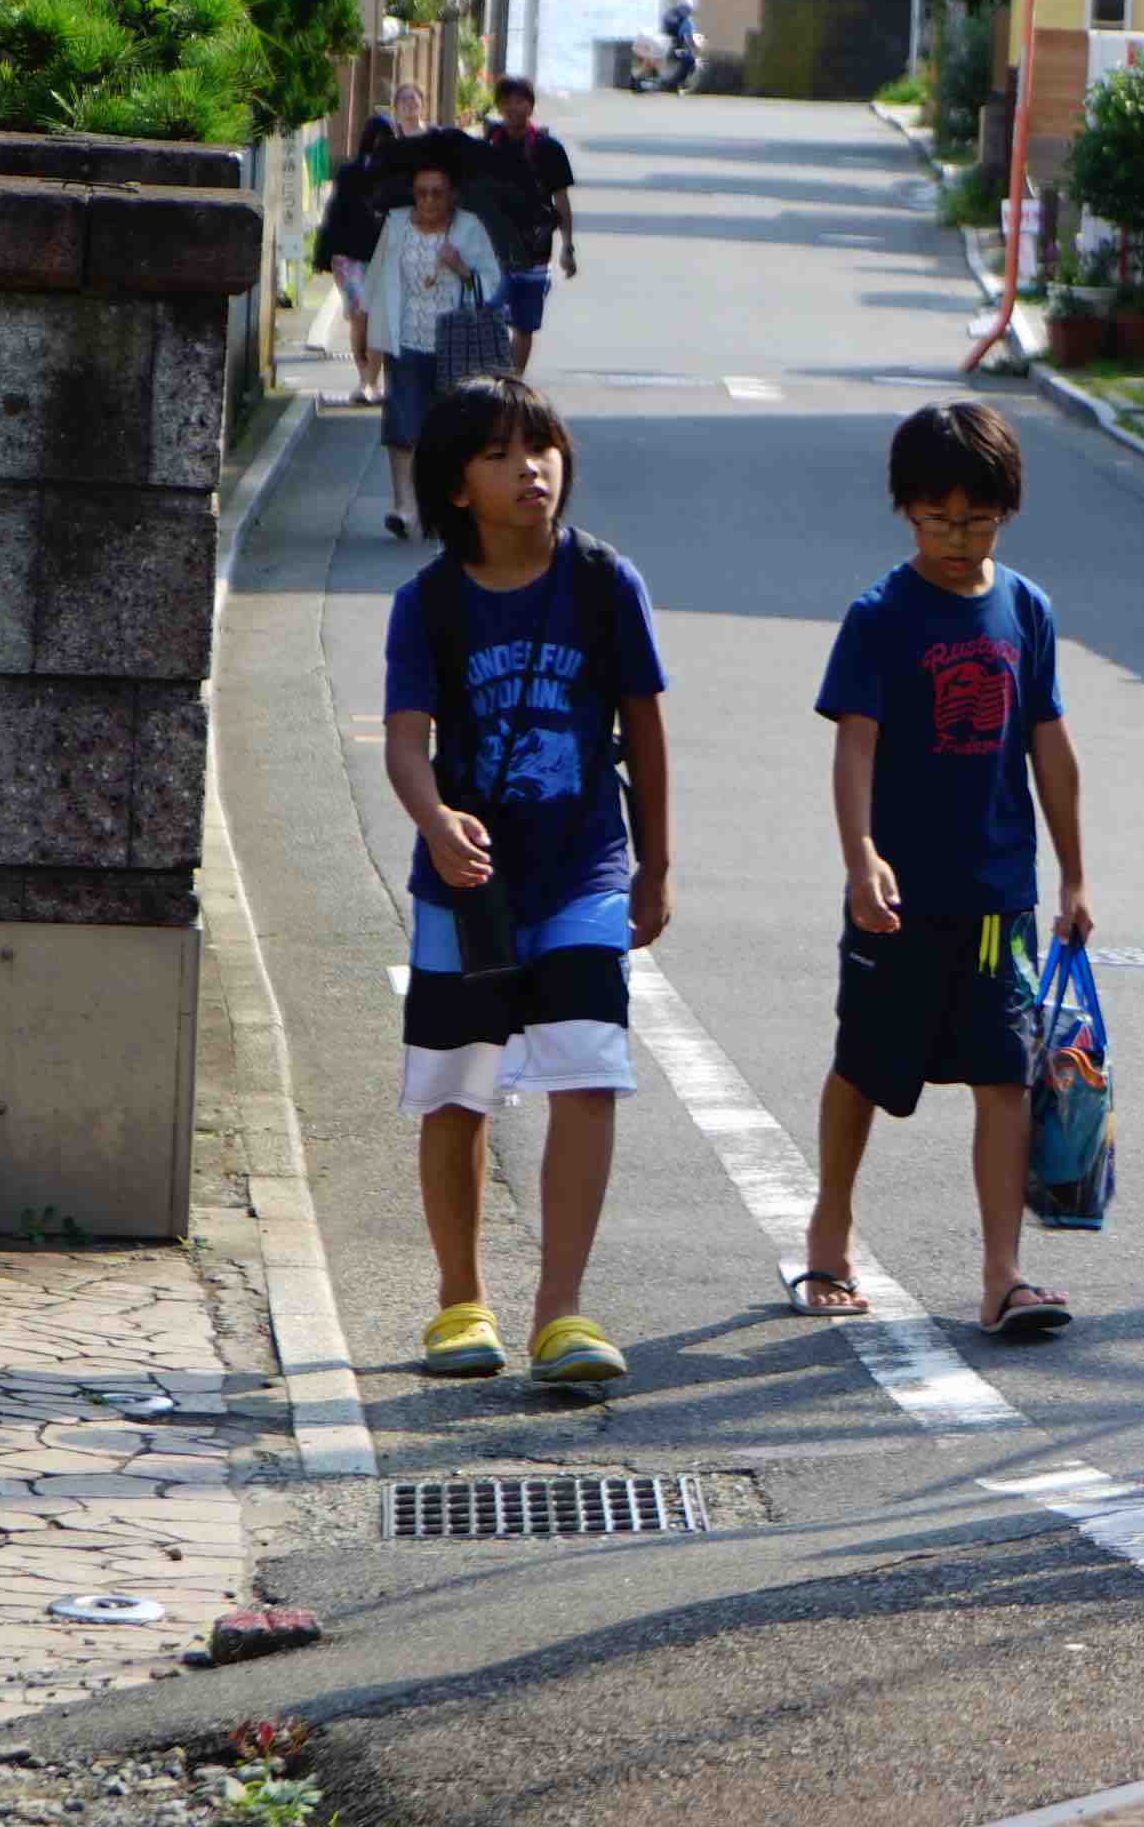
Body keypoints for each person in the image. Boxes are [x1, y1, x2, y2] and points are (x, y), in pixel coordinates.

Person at [382, 377, 674, 1392]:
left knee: (587, 1073)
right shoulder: (428, 604)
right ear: (458, 486)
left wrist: (656, 864)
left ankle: (561, 1309)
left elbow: (645, 728)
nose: (531, 470)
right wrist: (436, 821)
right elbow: (406, 740)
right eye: (501, 455)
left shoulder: (605, 583)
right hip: (467, 890)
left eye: (542, 448)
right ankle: (460, 1301)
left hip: (584, 870)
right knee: (458, 1089)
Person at [799, 401, 1094, 1338]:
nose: (959, 540)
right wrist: (861, 858)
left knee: (1004, 1077)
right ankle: (829, 1232)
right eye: (938, 521)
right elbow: (854, 746)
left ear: (1008, 510)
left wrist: (1074, 876)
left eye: (979, 521)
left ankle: (1003, 1275)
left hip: (999, 896)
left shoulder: (1027, 608)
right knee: (865, 1066)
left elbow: (1051, 748)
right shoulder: (881, 616)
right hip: (898, 897)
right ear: (906, 511)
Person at [362, 162, 503, 539]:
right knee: (402, 423)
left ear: (451, 195)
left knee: (452, 428)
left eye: (437, 193)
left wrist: (463, 269)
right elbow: (376, 282)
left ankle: (445, 506)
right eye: (421, 193)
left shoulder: (469, 228)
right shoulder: (396, 225)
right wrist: (368, 340)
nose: (428, 201)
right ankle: (405, 508)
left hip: (455, 343)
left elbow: (492, 283)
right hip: (406, 339)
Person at [479, 77, 578, 377]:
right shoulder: (486, 148)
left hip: (534, 250)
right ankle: (493, 376)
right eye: (507, 101)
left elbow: (561, 200)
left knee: (524, 325)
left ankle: (512, 381)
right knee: (488, 314)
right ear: (499, 106)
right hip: (491, 249)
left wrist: (568, 248)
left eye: (520, 101)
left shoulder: (549, 149)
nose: (513, 107)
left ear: (531, 106)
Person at [314, 113, 404, 408]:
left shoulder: (399, 175)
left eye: (388, 137)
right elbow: (334, 213)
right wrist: (326, 254)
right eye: (378, 136)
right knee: (359, 317)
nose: (382, 143)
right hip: (349, 257)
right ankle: (365, 377)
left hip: (383, 255)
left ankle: (370, 381)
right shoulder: (350, 172)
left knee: (377, 317)